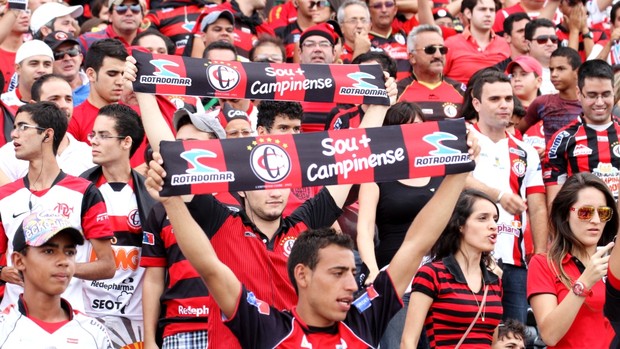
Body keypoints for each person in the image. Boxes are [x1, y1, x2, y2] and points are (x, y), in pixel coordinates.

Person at [142, 141, 475, 348]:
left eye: (351, 271)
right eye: (337, 272)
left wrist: (458, 173)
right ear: (301, 274)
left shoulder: (362, 319)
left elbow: (416, 245)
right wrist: (172, 202)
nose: (351, 284)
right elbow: (208, 266)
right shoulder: (267, 329)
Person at [0, 102, 115, 312]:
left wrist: (60, 268)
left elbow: (107, 266)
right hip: (11, 321)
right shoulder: (4, 196)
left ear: (47, 135)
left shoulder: (84, 192)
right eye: (14, 127)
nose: (14, 134)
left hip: (68, 320)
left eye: (23, 127)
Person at [465, 69, 547, 324]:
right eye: (494, 99)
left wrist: (541, 256)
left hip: (514, 262)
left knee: (513, 336)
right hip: (466, 258)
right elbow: (454, 182)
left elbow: (538, 207)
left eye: (508, 99)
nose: (504, 105)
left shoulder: (526, 151)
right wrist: (499, 195)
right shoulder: (462, 137)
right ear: (476, 103)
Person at [140, 107, 226, 349]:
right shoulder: (161, 208)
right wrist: (149, 339)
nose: (183, 151)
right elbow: (154, 278)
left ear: (217, 147)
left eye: (191, 143)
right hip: (180, 328)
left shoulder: (242, 199)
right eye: (178, 144)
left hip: (234, 322)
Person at [357, 101, 437, 349]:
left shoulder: (440, 170)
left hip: (438, 276)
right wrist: (371, 269)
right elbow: (365, 227)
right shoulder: (376, 174)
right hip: (395, 278)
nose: (415, 131)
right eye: (406, 126)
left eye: (419, 126)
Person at [80, 104, 155, 349]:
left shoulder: (152, 195)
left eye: (103, 135)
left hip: (136, 321)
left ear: (126, 142)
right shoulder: (77, 190)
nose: (94, 141)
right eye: (93, 134)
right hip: (84, 316)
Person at [401, 189, 504, 348]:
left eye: (495, 219)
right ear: (460, 225)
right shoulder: (432, 274)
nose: (493, 226)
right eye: (483, 218)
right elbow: (409, 341)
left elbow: (492, 343)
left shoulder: (495, 282)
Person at [528, 172, 616, 348]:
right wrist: (583, 283)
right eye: (586, 212)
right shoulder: (544, 264)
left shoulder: (615, 264)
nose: (596, 220)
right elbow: (549, 335)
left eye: (603, 212)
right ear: (566, 213)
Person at [0, 211, 113, 348]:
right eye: (49, 251)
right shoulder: (4, 328)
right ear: (18, 261)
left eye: (69, 252)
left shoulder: (94, 332)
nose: (64, 261)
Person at [543, 59, 620, 203]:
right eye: (592, 95)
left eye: (606, 94)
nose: (599, 102)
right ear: (579, 93)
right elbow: (555, 203)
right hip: (583, 221)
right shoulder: (562, 139)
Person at [0, 74, 94, 185]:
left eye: (68, 99)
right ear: (34, 106)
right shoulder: (10, 154)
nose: (64, 105)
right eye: (54, 99)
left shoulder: (89, 155)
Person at [397, 24, 465, 121]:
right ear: (412, 57)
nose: (438, 55)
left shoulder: (461, 90)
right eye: (430, 50)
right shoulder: (397, 92)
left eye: (442, 50)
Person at [518, 47, 582, 146]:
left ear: (577, 72)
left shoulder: (590, 104)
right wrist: (530, 153)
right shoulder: (542, 103)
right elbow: (516, 133)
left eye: (561, 69)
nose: (554, 74)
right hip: (550, 161)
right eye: (551, 69)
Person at [443, 0, 510, 84]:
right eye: (482, 9)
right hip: (460, 95)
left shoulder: (506, 44)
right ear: (468, 13)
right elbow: (436, 78)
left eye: (492, 10)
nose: (488, 14)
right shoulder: (451, 44)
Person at [1, 40, 54, 114]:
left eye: (47, 64)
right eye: (34, 64)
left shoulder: (60, 103)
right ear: (18, 68)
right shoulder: (3, 103)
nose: (41, 70)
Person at [43, 31, 90, 106]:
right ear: (48, 63)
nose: (67, 58)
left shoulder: (97, 85)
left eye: (72, 52)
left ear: (81, 57)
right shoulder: (43, 94)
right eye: (58, 54)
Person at [78, 0, 144, 52]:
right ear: (109, 15)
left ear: (142, 15)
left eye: (135, 8)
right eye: (121, 8)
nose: (129, 13)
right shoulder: (88, 41)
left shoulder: (151, 41)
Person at [524, 18, 559, 95]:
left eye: (554, 39)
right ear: (528, 44)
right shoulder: (520, 72)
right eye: (542, 40)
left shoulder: (568, 70)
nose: (550, 43)